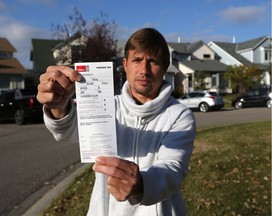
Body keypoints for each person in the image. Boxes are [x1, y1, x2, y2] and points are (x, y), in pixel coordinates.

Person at [37, 28, 196, 216]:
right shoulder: (107, 106)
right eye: (137, 60)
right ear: (125, 64)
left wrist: (141, 185)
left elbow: (172, 171)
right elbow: (68, 133)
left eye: (153, 61)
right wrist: (58, 105)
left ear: (165, 67)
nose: (144, 70)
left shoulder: (179, 115)